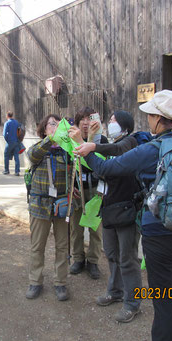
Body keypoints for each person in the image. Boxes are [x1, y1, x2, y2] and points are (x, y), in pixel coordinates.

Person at [77, 90, 172, 341]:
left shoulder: (152, 149)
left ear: (159, 119)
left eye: (150, 115)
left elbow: (108, 168)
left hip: (161, 235)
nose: (148, 120)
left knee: (165, 301)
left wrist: (88, 152)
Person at [70, 110, 142, 323]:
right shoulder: (110, 144)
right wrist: (88, 144)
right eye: (109, 120)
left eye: (112, 121)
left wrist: (91, 146)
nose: (109, 123)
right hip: (109, 208)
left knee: (128, 259)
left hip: (127, 210)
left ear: (124, 125)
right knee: (111, 253)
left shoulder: (130, 142)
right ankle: (115, 291)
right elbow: (99, 171)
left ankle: (132, 303)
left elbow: (112, 157)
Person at [25, 114, 71, 301]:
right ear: (44, 129)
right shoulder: (38, 149)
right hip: (39, 205)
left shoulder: (67, 151)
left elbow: (75, 174)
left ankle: (61, 283)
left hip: (61, 205)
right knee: (37, 246)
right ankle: (35, 282)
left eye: (59, 124)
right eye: (52, 124)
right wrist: (50, 139)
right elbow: (32, 155)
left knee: (62, 246)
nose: (56, 127)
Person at [68, 107, 108, 280]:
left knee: (95, 228)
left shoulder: (102, 140)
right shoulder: (70, 140)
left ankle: (93, 261)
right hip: (77, 189)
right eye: (82, 119)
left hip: (96, 188)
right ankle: (78, 259)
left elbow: (107, 165)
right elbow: (67, 165)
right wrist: (70, 188)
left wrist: (104, 188)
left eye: (89, 119)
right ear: (77, 123)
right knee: (76, 228)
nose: (85, 122)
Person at [3, 111, 21, 176]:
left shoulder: (7, 123)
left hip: (10, 142)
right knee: (16, 156)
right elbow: (19, 131)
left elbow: (4, 134)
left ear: (7, 115)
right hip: (16, 141)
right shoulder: (17, 122)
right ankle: (17, 171)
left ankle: (6, 170)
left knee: (6, 155)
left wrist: (7, 140)